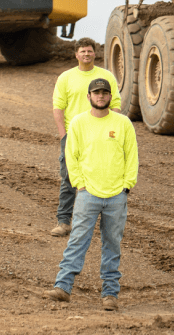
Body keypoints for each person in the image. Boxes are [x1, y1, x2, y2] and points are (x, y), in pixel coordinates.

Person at [45, 78, 138, 311]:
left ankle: (110, 295)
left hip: (116, 195)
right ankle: (63, 287)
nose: (100, 96)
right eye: (96, 92)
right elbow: (71, 156)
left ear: (110, 97)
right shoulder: (78, 123)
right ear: (89, 97)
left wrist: (126, 186)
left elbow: (132, 156)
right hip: (88, 194)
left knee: (112, 244)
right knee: (77, 240)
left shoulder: (123, 123)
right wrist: (79, 184)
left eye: (105, 93)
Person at [50, 38, 121, 236]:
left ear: (95, 53)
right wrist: (64, 136)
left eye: (89, 51)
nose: (86, 54)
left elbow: (115, 103)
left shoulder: (106, 76)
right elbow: (58, 107)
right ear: (76, 54)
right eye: (83, 51)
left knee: (102, 175)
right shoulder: (66, 77)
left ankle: (103, 224)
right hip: (73, 136)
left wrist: (113, 128)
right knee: (69, 178)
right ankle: (64, 222)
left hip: (101, 135)